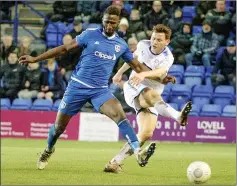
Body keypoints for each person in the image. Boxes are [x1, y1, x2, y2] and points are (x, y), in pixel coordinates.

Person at [19, 5, 175, 170]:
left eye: (113, 23)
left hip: (99, 91)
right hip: (77, 87)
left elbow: (137, 66)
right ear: (102, 20)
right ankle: (48, 150)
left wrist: (161, 77)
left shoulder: (120, 45)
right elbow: (64, 49)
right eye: (107, 22)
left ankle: (138, 151)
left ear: (118, 23)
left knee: (120, 116)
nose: (109, 26)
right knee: (58, 128)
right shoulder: (89, 34)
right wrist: (36, 59)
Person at [103, 24, 192, 173]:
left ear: (167, 42)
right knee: (148, 93)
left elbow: (161, 72)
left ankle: (114, 162)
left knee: (146, 133)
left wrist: (144, 74)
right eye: (153, 38)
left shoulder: (168, 57)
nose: (154, 42)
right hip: (133, 87)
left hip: (153, 97)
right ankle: (177, 116)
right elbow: (132, 60)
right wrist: (119, 73)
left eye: (159, 40)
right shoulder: (142, 44)